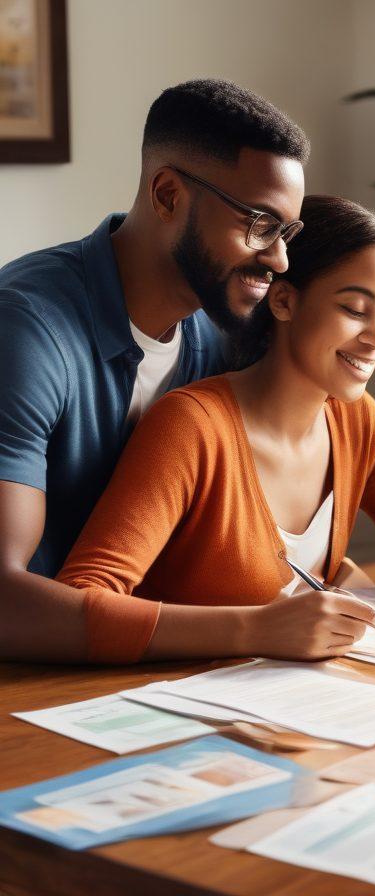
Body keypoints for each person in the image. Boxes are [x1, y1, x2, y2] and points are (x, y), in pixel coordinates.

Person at [56, 196, 375, 664]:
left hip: (290, 707)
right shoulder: (192, 426)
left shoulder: (357, 419)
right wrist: (254, 629)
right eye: (355, 309)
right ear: (285, 300)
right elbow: (82, 598)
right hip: (169, 702)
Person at [0, 79, 309, 660]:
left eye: (287, 233)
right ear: (167, 195)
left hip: (150, 674)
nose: (280, 259)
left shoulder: (220, 336)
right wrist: (257, 629)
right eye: (261, 224)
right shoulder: (24, 330)